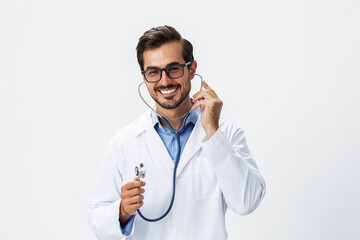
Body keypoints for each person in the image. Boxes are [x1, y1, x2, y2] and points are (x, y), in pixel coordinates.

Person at [88, 25, 266, 240]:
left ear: (191, 69)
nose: (164, 81)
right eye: (153, 72)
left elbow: (247, 202)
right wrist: (123, 211)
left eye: (173, 68)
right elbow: (96, 218)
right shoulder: (124, 143)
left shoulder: (226, 134)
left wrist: (212, 131)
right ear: (144, 77)